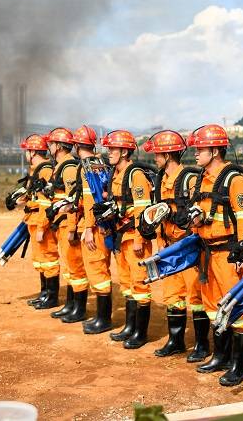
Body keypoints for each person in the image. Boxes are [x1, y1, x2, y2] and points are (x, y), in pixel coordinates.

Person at [187, 124, 243, 387]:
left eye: (200, 149)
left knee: (235, 309)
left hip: (229, 254)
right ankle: (220, 355)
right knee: (212, 306)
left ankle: (238, 365)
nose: (195, 154)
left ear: (215, 150)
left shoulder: (235, 180)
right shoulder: (201, 177)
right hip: (207, 253)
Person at [141, 130, 209, 360]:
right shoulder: (160, 179)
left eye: (158, 154)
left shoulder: (189, 178)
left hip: (187, 248)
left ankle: (202, 345)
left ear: (169, 155)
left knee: (196, 297)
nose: (155, 158)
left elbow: (199, 213)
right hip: (168, 246)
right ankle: (176, 341)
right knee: (172, 295)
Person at [101, 130, 154, 349]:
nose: (109, 152)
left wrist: (140, 239)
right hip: (121, 237)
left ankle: (140, 333)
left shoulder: (136, 175)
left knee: (140, 283)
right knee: (127, 283)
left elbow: (143, 210)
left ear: (124, 151)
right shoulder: (114, 173)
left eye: (113, 149)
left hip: (135, 238)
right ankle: (130, 327)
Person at [72, 125, 114, 334]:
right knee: (102, 267)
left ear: (78, 146)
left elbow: (90, 200)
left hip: (96, 226)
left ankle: (103, 319)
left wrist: (88, 228)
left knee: (97, 270)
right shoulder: (100, 163)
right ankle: (102, 317)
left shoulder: (86, 167)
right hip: (104, 224)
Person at [46, 128, 87, 322]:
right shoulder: (60, 165)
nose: (49, 147)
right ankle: (70, 305)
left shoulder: (69, 166)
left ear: (59, 146)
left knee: (76, 267)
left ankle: (78, 309)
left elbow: (73, 202)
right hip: (60, 225)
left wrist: (72, 229)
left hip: (68, 225)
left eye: (51, 144)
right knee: (70, 266)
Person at [17, 134, 57, 310]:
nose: (26, 154)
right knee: (40, 260)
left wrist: (42, 227)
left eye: (27, 151)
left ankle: (51, 297)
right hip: (32, 219)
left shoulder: (45, 170)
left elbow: (46, 202)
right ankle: (44, 293)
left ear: (33, 152)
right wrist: (19, 199)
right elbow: (33, 194)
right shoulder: (35, 169)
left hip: (43, 221)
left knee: (49, 259)